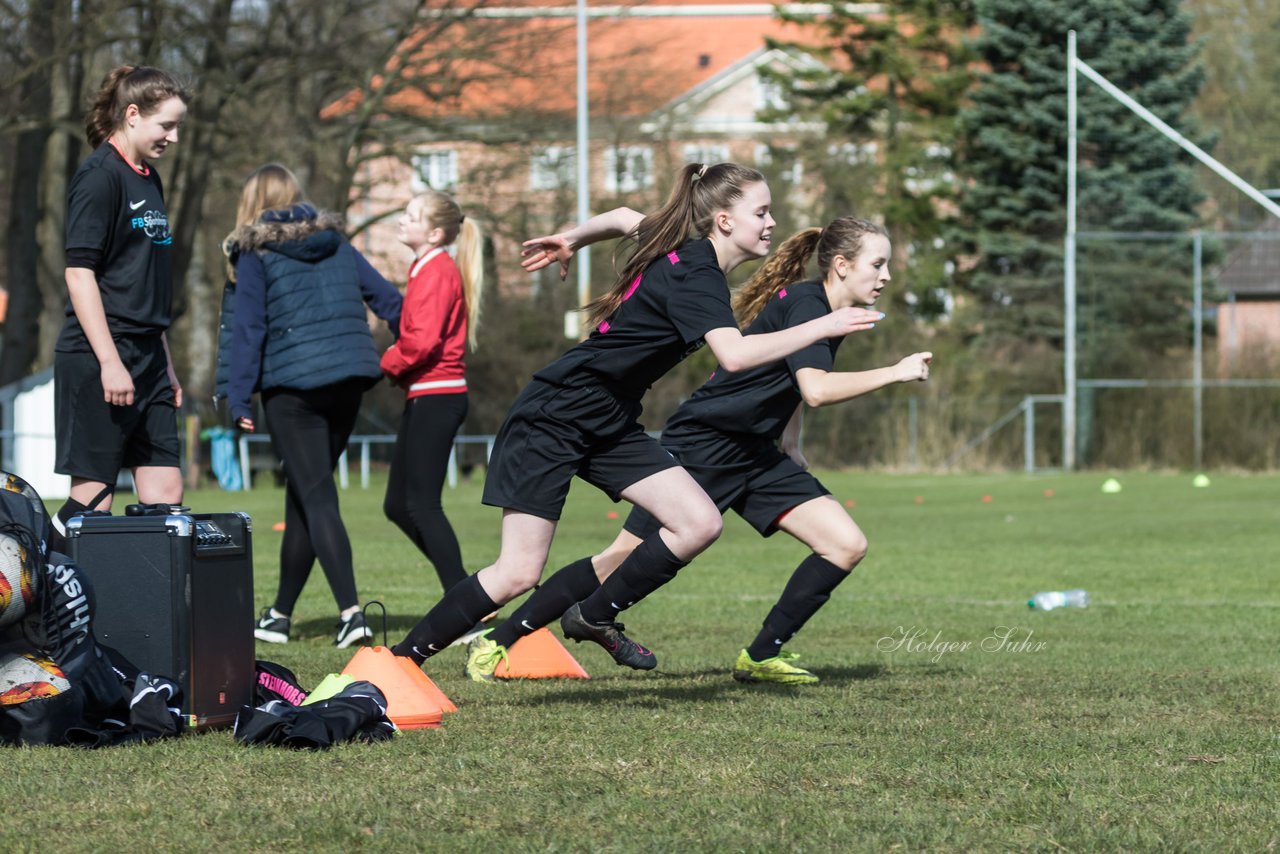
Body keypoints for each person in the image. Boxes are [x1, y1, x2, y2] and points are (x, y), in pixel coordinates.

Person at [386, 162, 880, 673]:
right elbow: (733, 355)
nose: (772, 222)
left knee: (698, 523)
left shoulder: (680, 248)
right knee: (516, 573)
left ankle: (595, 616)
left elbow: (624, 217)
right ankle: (399, 662)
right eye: (761, 211)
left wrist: (571, 239)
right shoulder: (699, 275)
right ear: (725, 221)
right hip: (556, 412)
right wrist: (824, 324)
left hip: (610, 419)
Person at [468, 217, 931, 684]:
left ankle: (760, 656)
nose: (887, 275)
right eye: (879, 264)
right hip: (706, 443)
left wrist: (790, 441)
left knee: (845, 545)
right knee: (618, 560)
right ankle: (498, 641)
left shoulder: (826, 309)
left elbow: (792, 380)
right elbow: (815, 388)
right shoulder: (811, 306)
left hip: (755, 452)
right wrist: (896, 371)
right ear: (842, 266)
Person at [218, 164, 402, 648]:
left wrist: (238, 395)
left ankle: (352, 614)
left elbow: (248, 329)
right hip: (349, 380)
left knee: (316, 495)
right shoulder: (337, 242)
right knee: (303, 495)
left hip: (293, 387)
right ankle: (279, 615)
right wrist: (414, 351)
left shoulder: (256, 251)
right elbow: (387, 299)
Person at [52, 66, 191, 549]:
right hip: (100, 358)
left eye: (178, 127)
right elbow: (79, 274)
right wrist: (111, 363)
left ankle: (147, 622)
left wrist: (166, 366)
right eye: (166, 126)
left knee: (166, 493)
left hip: (150, 358)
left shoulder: (149, 178)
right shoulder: (97, 177)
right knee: (94, 502)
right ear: (132, 115)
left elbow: (146, 285)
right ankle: (28, 573)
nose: (173, 138)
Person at [380, 190, 485, 624]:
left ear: (435, 232)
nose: (402, 221)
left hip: (439, 395)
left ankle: (465, 608)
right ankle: (466, 594)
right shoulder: (425, 266)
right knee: (396, 506)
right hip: (425, 394)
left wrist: (383, 362)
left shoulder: (437, 269)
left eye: (411, 216)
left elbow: (421, 341)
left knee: (422, 505)